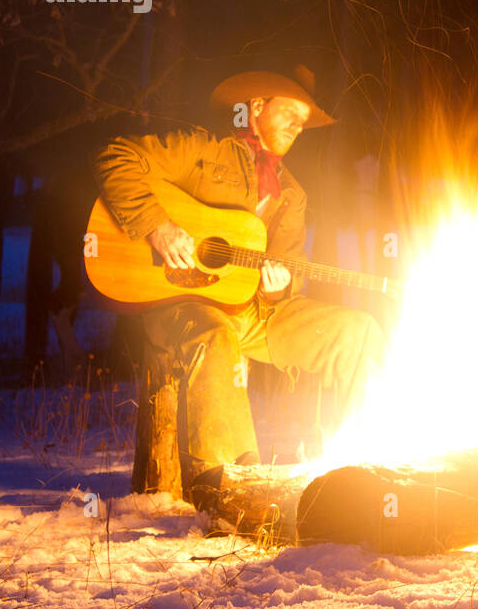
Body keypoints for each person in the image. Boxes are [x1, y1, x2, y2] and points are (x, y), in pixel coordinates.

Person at [93, 66, 386, 509]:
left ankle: (364, 467)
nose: (298, 124)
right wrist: (159, 227)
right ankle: (231, 490)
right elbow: (115, 157)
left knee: (358, 332)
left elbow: (287, 268)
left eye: (304, 119)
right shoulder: (203, 149)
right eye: (291, 111)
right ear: (256, 108)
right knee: (218, 338)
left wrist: (279, 285)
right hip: (180, 300)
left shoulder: (291, 194)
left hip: (253, 311)